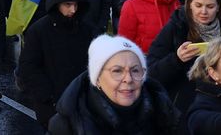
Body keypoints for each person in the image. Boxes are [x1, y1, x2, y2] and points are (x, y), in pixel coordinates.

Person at [48, 35, 180, 134]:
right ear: (98, 79)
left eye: (135, 70)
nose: (128, 79)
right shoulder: (68, 124)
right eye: (117, 71)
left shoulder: (162, 113)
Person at [147, 0, 221, 134]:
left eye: (210, 6)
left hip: (216, 110)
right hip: (179, 113)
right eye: (198, 5)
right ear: (189, 5)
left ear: (219, 7)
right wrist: (176, 59)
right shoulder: (176, 28)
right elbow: (151, 74)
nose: (204, 12)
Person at [17, 0, 95, 129]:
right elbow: (28, 68)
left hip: (82, 103)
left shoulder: (86, 29)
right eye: (68, 4)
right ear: (57, 3)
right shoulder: (39, 31)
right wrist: (48, 96)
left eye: (76, 4)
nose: (73, 10)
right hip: (51, 106)